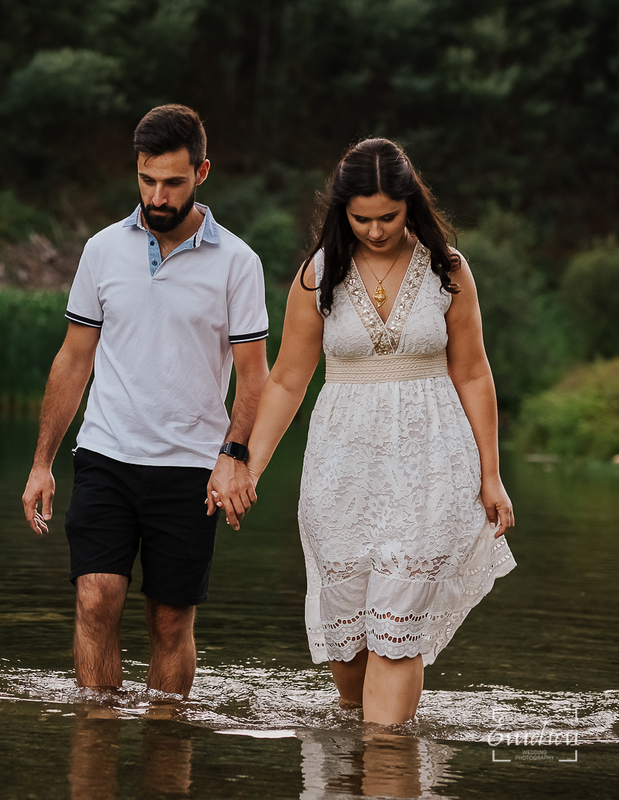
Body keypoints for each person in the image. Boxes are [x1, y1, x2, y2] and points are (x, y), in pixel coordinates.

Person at [210, 137, 517, 724]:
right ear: (340, 211)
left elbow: (474, 374)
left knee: (395, 639)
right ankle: (368, 764)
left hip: (431, 467)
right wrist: (247, 464)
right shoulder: (318, 275)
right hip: (341, 473)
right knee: (348, 652)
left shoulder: (447, 270)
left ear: (411, 206)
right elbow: (285, 383)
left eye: (389, 217)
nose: (375, 231)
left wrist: (491, 475)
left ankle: (386, 769)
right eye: (361, 218)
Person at [21, 104, 270, 698]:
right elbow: (73, 358)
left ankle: (166, 746)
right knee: (96, 596)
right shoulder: (103, 249)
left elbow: (254, 374)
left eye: (173, 182)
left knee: (169, 619)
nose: (157, 195)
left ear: (202, 172)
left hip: (189, 467)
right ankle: (96, 739)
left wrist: (234, 454)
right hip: (106, 454)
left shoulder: (238, 263)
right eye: (146, 179)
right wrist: (41, 462)